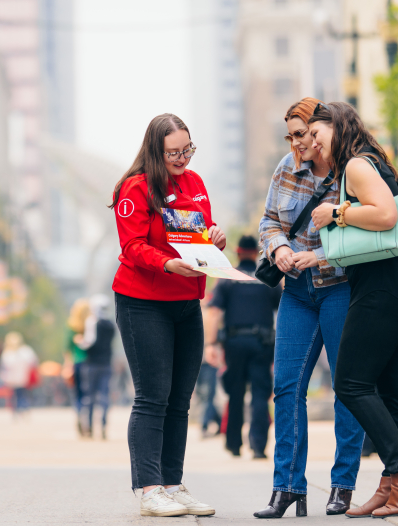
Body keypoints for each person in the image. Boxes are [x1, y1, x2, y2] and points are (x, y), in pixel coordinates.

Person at [308, 102, 398, 518]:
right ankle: (392, 487)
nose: (312, 142)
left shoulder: (358, 166)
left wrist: (335, 212)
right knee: (397, 393)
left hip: (381, 292)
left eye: (317, 134)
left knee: (351, 383)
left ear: (337, 127)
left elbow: (384, 215)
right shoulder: (371, 161)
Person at [254, 97, 365, 519]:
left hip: (340, 289)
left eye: (303, 134)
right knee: (286, 387)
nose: (298, 143)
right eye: (292, 136)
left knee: (347, 388)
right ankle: (287, 488)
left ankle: (343, 485)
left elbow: (366, 236)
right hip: (297, 293)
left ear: (324, 128)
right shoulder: (286, 167)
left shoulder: (352, 171)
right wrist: (279, 247)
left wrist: (319, 257)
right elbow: (269, 221)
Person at [110, 113, 224, 517]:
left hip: (186, 302)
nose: (181, 159)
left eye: (187, 150)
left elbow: (201, 232)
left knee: (180, 400)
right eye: (173, 152)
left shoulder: (194, 183)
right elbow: (133, 246)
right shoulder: (136, 188)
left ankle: (173, 484)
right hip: (144, 302)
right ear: (155, 151)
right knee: (152, 396)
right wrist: (167, 264)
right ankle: (149, 488)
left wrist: (215, 237)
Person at [204, 235, 280, 461]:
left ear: (237, 253)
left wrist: (211, 344)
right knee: (260, 393)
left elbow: (214, 312)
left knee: (235, 393)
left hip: (234, 343)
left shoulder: (227, 279)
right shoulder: (266, 278)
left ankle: (234, 444)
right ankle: (258, 447)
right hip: (262, 343)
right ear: (256, 253)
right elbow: (284, 308)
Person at [76, 294, 116, 440]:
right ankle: (104, 425)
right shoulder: (111, 324)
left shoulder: (92, 322)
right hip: (106, 364)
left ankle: (90, 427)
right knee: (104, 396)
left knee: (90, 396)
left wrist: (79, 341)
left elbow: (89, 341)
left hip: (92, 364)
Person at [65, 299, 90, 435]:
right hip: (90, 363)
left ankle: (80, 413)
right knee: (88, 394)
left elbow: (67, 349)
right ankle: (87, 417)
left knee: (78, 394)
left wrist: (67, 366)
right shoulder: (91, 325)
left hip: (76, 363)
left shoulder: (71, 326)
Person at [0, 332, 37, 416]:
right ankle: (23, 407)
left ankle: (18, 408)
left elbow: (4, 367)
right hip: (22, 377)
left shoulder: (8, 353)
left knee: (15, 394)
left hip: (13, 378)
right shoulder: (26, 351)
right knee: (22, 393)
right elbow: (33, 362)